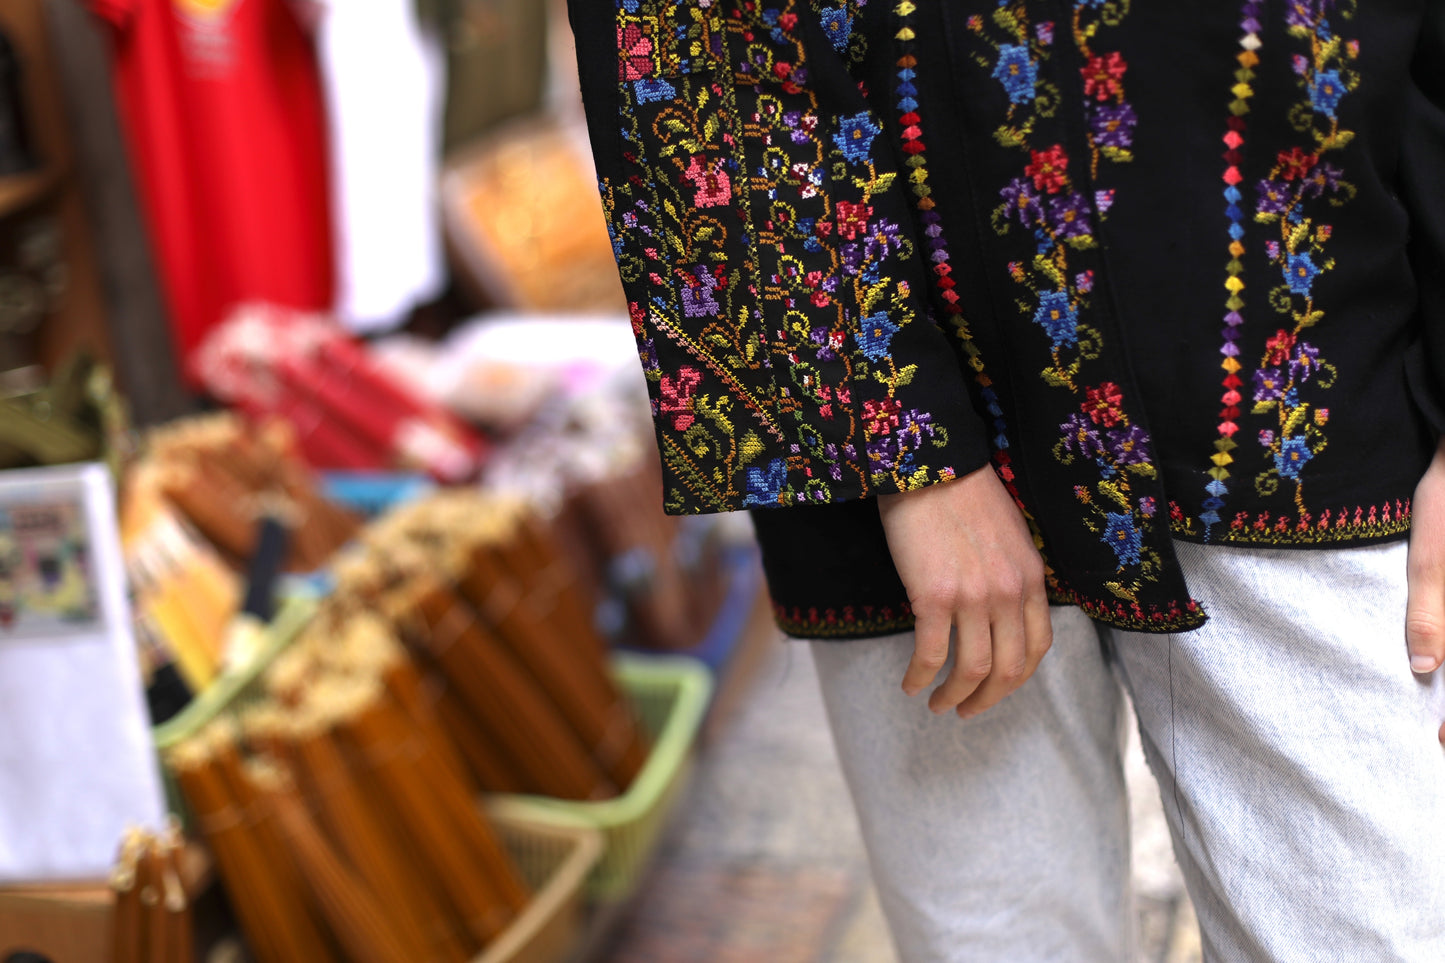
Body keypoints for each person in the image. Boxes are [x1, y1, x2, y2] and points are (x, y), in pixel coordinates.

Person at [569, 0, 1445, 958]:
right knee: (996, 940)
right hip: (873, 337)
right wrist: (902, 444)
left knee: (1375, 929)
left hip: (1300, 355)